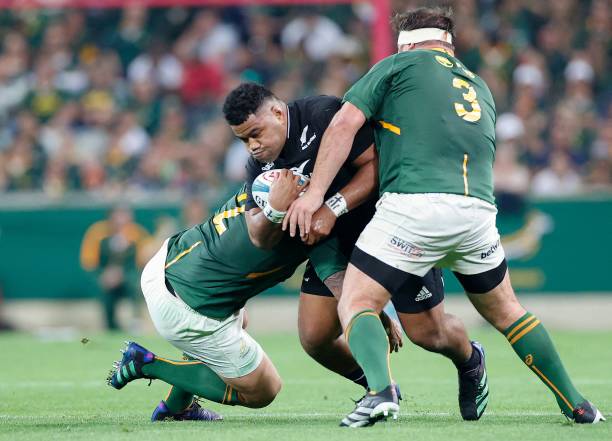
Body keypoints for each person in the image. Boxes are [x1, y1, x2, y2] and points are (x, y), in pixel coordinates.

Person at [285, 7, 604, 426]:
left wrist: (314, 197)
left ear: (408, 44)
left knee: (357, 301)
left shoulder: (397, 65)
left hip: (415, 208)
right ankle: (578, 404)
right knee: (509, 311)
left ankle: (380, 393)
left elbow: (344, 124)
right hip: (477, 214)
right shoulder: (479, 85)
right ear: (448, 44)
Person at [222, 82, 488, 424]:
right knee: (315, 336)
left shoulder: (322, 115)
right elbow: (259, 235)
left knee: (427, 333)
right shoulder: (261, 169)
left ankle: (470, 359)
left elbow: (377, 165)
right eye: (244, 140)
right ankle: (378, 385)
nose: (253, 146)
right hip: (334, 246)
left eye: (255, 133)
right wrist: (275, 207)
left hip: (391, 228)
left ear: (276, 112)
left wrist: (332, 207)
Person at [106, 175, 401, 422]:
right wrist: (378, 314)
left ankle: (175, 407)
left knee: (238, 320)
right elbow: (342, 289)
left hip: (168, 261)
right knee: (263, 390)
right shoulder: (306, 223)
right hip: (185, 306)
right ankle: (146, 363)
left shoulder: (259, 184)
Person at [80, 205, 148, 330]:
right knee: (105, 292)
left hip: (129, 276)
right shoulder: (97, 232)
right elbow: (89, 262)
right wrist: (103, 275)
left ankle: (136, 321)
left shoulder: (137, 233)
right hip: (104, 277)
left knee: (136, 284)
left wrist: (123, 274)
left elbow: (143, 262)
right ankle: (110, 325)